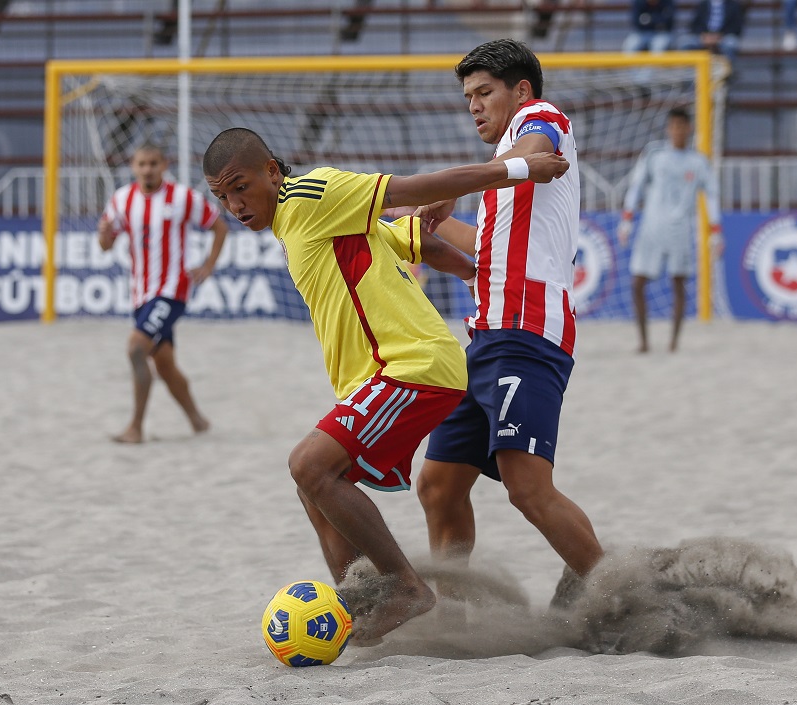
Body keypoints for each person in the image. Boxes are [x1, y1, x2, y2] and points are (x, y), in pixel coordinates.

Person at [202, 126, 569, 642]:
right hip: (382, 376)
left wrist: (518, 169)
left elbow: (415, 189)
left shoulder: (313, 194)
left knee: (309, 464)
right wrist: (471, 275)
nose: (234, 204)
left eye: (239, 187)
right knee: (315, 486)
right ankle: (366, 600)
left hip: (412, 365)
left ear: (271, 170)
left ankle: (405, 588)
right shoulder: (306, 223)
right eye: (222, 197)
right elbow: (418, 242)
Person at [402, 39, 605, 600]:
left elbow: (535, 154)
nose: (473, 105)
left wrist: (448, 189)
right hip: (485, 337)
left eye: (484, 92)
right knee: (438, 485)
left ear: (520, 90)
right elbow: (485, 250)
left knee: (527, 488)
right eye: (467, 96)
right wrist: (415, 220)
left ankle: (617, 588)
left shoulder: (540, 119)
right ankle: (458, 615)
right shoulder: (498, 186)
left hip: (529, 332)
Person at [97, 142, 228, 444]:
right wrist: (104, 237)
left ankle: (135, 428)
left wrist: (208, 265)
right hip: (140, 294)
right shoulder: (121, 199)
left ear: (164, 165)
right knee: (165, 365)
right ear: (133, 167)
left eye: (153, 163)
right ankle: (198, 422)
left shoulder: (182, 197)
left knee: (134, 349)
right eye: (142, 164)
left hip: (171, 291)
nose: (147, 169)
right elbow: (106, 245)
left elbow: (219, 227)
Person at [617, 108, 722, 354]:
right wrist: (626, 220)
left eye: (681, 126)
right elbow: (637, 187)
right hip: (651, 227)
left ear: (689, 128)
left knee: (678, 283)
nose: (677, 131)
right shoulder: (654, 154)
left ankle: (674, 342)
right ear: (668, 128)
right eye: (673, 126)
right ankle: (644, 341)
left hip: (680, 230)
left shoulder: (698, 161)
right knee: (637, 283)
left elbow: (712, 196)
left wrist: (715, 231)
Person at [675, 0, 745, 64]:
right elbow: (694, 25)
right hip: (703, 36)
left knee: (731, 44)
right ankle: (689, 69)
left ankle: (727, 70)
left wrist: (720, 36)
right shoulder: (703, 5)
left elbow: (736, 26)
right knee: (684, 42)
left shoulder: (733, 5)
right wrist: (704, 35)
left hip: (724, 36)